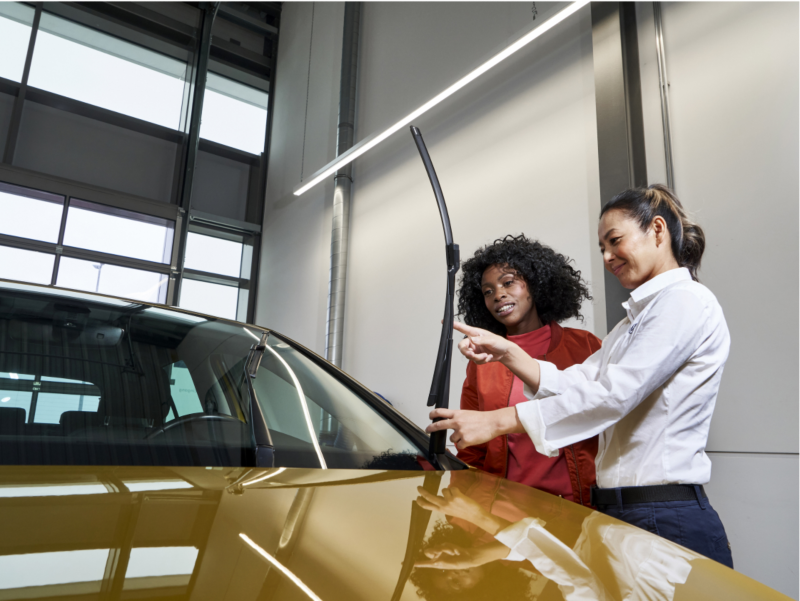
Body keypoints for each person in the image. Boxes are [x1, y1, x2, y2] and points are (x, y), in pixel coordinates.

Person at [429, 184, 733, 567]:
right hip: (621, 514)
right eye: (602, 247)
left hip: (661, 514)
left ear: (657, 230)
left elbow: (612, 395)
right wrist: (509, 353)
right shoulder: (629, 325)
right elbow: (579, 382)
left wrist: (500, 420)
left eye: (615, 241)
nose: (607, 256)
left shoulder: (685, 302)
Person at [456, 235, 602, 505]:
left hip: (579, 507)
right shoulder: (482, 361)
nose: (498, 294)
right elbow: (472, 449)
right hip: (506, 511)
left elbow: (606, 415)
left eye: (508, 282)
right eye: (487, 291)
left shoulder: (586, 346)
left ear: (534, 286)